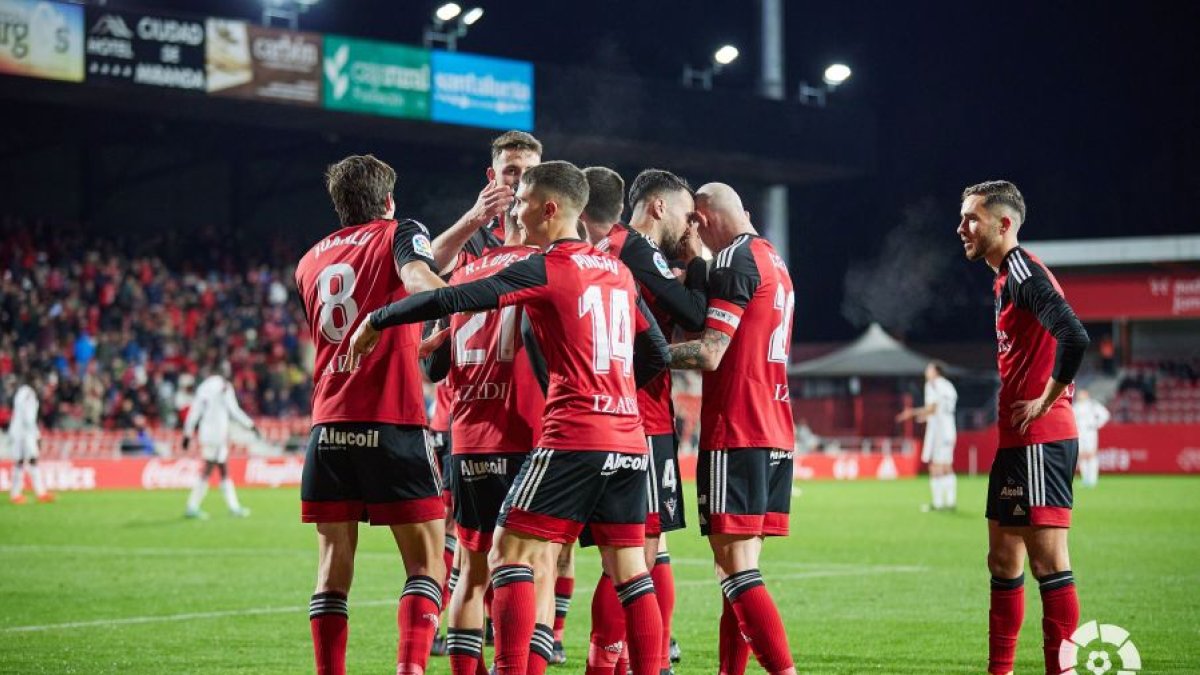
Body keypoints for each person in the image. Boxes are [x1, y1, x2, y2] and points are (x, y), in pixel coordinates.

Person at [348, 161, 671, 675]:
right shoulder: (618, 271)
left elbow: (456, 297)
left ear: (550, 209)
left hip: (571, 436)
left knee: (507, 553)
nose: (516, 212)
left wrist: (379, 317)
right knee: (632, 573)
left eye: (521, 203)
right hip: (628, 439)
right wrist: (617, 395)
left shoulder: (547, 267)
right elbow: (656, 351)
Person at [294, 154, 448, 675]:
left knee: (331, 573)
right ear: (387, 200)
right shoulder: (399, 231)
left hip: (328, 425)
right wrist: (457, 304)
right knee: (428, 564)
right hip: (392, 421)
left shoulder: (309, 259)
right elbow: (421, 282)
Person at [957, 180, 1090, 675]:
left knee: (1048, 564)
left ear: (1003, 223)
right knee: (1002, 560)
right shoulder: (1002, 278)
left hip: (1041, 439)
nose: (962, 227)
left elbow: (1074, 337)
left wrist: (1046, 399)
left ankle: (1063, 669)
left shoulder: (1024, 273)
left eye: (972, 218)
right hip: (1016, 443)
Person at [667, 183, 797, 675]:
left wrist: (641, 357)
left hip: (738, 430)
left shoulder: (733, 261)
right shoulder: (773, 259)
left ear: (699, 219)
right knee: (737, 570)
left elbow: (708, 352)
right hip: (774, 429)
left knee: (735, 570)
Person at [589, 168, 708, 675]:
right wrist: (699, 260)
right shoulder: (636, 248)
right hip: (642, 418)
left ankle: (643, 663)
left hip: (612, 415)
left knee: (638, 552)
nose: (691, 224)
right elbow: (697, 314)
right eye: (686, 214)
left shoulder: (610, 249)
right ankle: (628, 664)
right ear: (658, 207)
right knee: (635, 553)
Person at [425, 221, 547, 675]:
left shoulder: (462, 275)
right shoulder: (542, 267)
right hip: (526, 433)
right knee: (538, 567)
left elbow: (435, 365)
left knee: (469, 574)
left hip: (469, 437)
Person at [431, 131, 543, 275]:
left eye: (531, 172)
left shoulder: (557, 227)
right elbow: (432, 266)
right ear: (492, 176)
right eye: (511, 170)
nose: (522, 180)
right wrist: (473, 218)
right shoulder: (481, 234)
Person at [181, 368, 258, 519]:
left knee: (223, 470)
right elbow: (234, 411)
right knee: (208, 470)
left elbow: (194, 412)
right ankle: (192, 506)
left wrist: (187, 433)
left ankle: (233, 507)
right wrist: (250, 425)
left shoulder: (203, 387)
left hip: (206, 434)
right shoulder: (224, 387)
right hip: (217, 435)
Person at [896, 360, 959, 511]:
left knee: (936, 466)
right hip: (949, 428)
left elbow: (932, 408)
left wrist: (911, 413)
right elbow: (941, 409)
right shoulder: (948, 386)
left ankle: (939, 503)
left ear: (936, 371)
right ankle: (949, 502)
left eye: (929, 369)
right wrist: (926, 416)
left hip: (938, 431)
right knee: (946, 466)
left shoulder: (933, 384)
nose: (926, 372)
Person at [7, 376, 53, 504]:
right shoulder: (30, 394)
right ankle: (40, 493)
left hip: (17, 432)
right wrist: (37, 435)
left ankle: (16, 494)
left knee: (20, 462)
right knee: (32, 460)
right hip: (25, 433)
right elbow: (29, 418)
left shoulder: (21, 392)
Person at [1072, 389, 1110, 488]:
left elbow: (1105, 415)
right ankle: (1085, 479)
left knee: (1091, 454)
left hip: (1090, 432)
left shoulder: (1093, 405)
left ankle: (1093, 479)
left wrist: (1096, 425)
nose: (1080, 396)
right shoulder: (1075, 406)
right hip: (1079, 432)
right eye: (1079, 394)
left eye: (1082, 394)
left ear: (1086, 395)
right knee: (1081, 455)